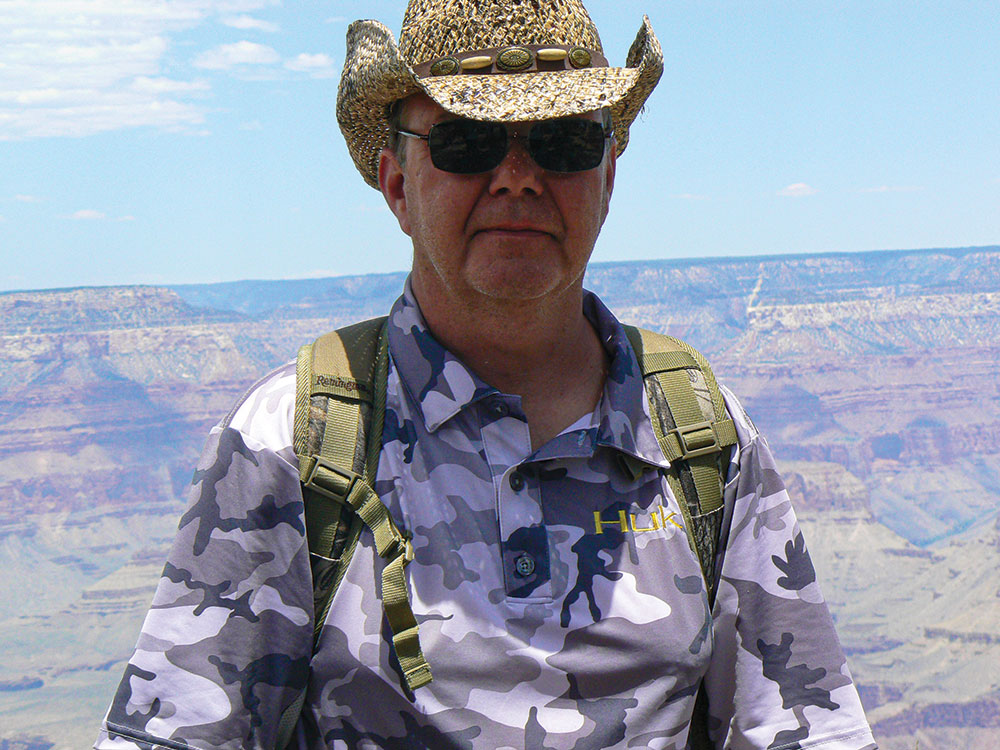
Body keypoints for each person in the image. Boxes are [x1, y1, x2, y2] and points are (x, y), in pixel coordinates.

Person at [96, 1, 878, 748]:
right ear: (398, 184)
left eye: (564, 142)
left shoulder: (701, 436)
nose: (517, 177)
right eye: (467, 142)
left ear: (607, 180)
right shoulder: (287, 447)